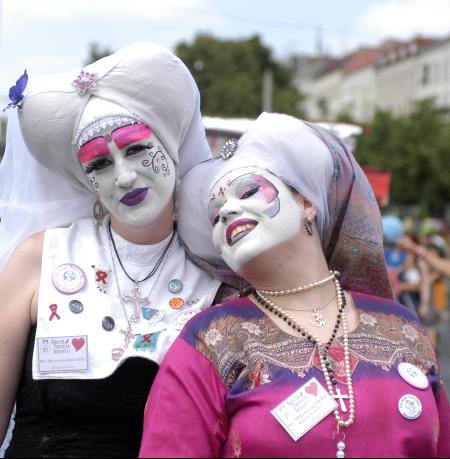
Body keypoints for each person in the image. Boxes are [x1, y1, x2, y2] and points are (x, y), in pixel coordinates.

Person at [139, 113, 450, 458]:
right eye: (215, 214)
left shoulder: (401, 326)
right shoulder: (210, 340)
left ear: (307, 203)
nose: (227, 210)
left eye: (249, 190)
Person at [0, 42, 221, 458]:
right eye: (99, 164)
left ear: (170, 145)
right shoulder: (38, 260)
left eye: (136, 149)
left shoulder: (216, 272)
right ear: (86, 181)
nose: (123, 176)